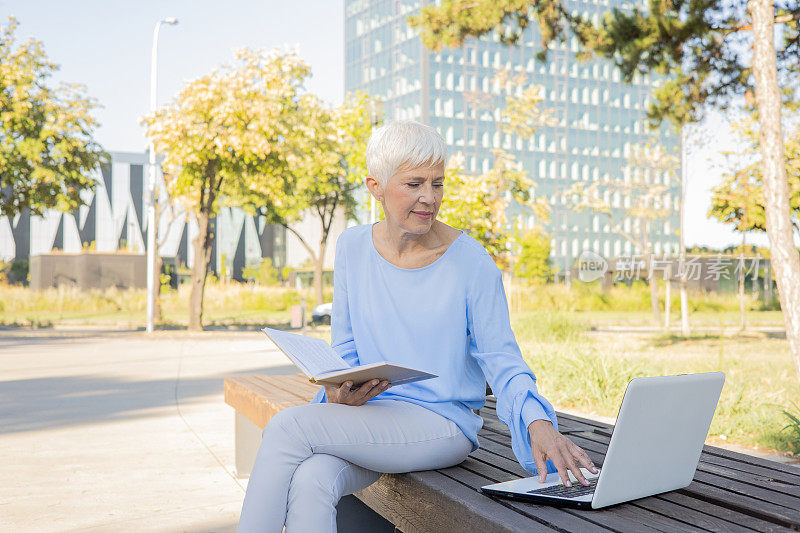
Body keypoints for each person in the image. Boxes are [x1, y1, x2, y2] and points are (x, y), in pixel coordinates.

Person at [238, 120, 597, 532]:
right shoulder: (352, 247)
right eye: (414, 184)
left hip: (442, 426)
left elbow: (502, 359)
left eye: (437, 183)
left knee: (287, 427)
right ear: (375, 186)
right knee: (312, 478)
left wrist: (540, 423)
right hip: (374, 416)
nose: (429, 198)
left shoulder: (472, 263)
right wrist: (341, 391)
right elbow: (348, 348)